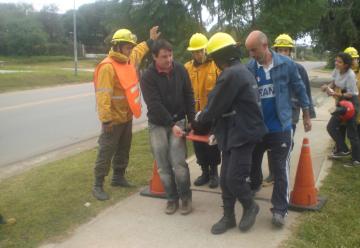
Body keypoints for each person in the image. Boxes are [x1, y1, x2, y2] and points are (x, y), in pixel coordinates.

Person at [194, 32, 267, 234]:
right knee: (226, 178)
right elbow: (227, 106)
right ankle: (229, 217)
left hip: (243, 134)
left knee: (234, 178)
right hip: (233, 132)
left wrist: (198, 120)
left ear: (219, 58)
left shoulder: (231, 74)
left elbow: (214, 106)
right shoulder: (241, 71)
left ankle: (250, 206)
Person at [245, 30, 312, 227]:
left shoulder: (287, 65)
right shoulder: (250, 68)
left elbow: (300, 90)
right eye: (248, 50)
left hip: (281, 126)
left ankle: (280, 210)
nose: (251, 54)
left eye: (253, 50)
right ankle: (254, 185)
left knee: (280, 169)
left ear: (265, 46)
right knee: (252, 163)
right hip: (257, 127)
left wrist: (306, 115)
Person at [92, 26, 160, 201]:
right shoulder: (107, 67)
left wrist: (150, 41)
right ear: (118, 46)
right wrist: (106, 120)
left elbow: (138, 51)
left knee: (123, 149)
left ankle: (118, 177)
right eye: (128, 47)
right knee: (106, 151)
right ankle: (98, 184)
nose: (131, 50)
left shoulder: (128, 60)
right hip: (113, 120)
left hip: (126, 116)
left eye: (131, 47)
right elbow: (103, 95)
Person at [140, 39, 195, 215]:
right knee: (163, 165)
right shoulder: (147, 77)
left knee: (178, 163)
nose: (169, 59)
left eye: (170, 55)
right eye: (164, 56)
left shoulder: (180, 69)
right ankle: (171, 198)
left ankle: (185, 197)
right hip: (157, 124)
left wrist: (191, 119)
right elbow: (154, 104)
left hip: (178, 121)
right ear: (154, 57)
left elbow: (188, 94)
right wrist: (170, 125)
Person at [263, 34, 316, 184]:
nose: (283, 53)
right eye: (280, 50)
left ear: (290, 51)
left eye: (286, 50)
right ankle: (274, 172)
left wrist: (307, 116)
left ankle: (280, 170)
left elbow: (305, 92)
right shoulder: (269, 67)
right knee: (271, 143)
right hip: (272, 112)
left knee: (286, 143)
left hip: (291, 113)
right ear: (276, 50)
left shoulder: (297, 68)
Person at [184, 33, 221, 188]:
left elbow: (221, 90)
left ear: (206, 49)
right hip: (195, 115)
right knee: (198, 146)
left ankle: (214, 173)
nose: (197, 54)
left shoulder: (216, 66)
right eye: (194, 51)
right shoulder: (186, 68)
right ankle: (204, 171)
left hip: (211, 114)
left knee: (211, 145)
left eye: (200, 51)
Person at [321, 52, 360, 167]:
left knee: (352, 133)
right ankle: (343, 149)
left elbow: (351, 94)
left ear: (346, 65)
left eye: (339, 62)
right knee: (331, 127)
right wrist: (327, 87)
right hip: (341, 102)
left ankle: (356, 160)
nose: (336, 63)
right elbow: (334, 82)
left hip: (351, 103)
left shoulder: (351, 75)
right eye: (336, 61)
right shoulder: (337, 70)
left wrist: (337, 95)